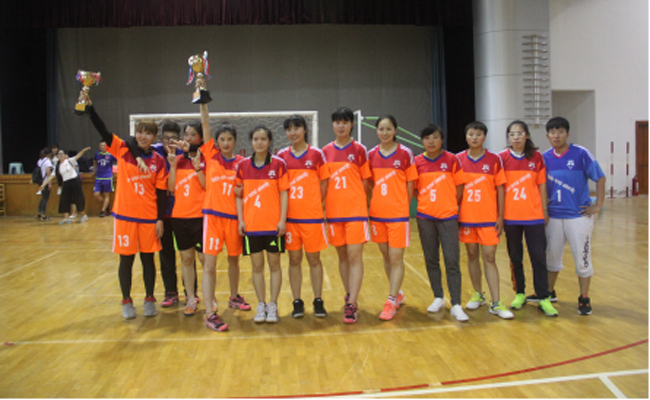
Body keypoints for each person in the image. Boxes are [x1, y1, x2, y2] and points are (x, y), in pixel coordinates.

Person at [81, 92, 168, 320]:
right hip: (126, 217)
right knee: (126, 260)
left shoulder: (159, 161)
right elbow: (104, 132)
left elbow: (161, 193)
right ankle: (126, 301)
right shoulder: (123, 150)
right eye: (140, 132)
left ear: (154, 137)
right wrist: (91, 110)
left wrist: (160, 218)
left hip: (149, 217)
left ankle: (149, 299)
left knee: (148, 260)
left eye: (148, 133)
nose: (143, 136)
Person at [541, 116, 605, 316]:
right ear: (547, 135)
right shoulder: (544, 158)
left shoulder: (580, 153)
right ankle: (548, 293)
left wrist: (598, 205)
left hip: (578, 216)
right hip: (554, 217)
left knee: (582, 259)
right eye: (552, 132)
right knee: (552, 257)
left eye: (560, 131)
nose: (556, 135)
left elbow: (600, 177)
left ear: (567, 134)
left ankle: (584, 297)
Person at [199, 104, 252, 331]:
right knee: (209, 266)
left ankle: (234, 296)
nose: (226, 142)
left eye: (230, 139)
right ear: (217, 141)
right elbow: (205, 125)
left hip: (233, 219)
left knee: (234, 260)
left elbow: (247, 190)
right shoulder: (210, 155)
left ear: (235, 141)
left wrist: (243, 192)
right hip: (213, 218)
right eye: (222, 139)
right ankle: (210, 313)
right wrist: (203, 104)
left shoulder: (242, 163)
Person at [499, 120, 558, 317]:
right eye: (512, 134)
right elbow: (499, 188)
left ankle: (543, 297)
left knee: (538, 257)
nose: (515, 137)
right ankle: (520, 293)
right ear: (508, 137)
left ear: (527, 135)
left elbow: (542, 185)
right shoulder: (502, 158)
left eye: (519, 133)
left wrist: (544, 210)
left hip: (534, 216)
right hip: (511, 217)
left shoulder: (537, 157)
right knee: (515, 257)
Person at [457, 121, 514, 319]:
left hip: (488, 218)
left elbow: (500, 188)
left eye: (478, 134)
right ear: (466, 137)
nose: (474, 138)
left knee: (489, 257)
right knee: (472, 255)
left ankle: (496, 302)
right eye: (471, 134)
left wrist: (500, 216)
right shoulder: (458, 160)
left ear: (484, 137)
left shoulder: (494, 160)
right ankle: (478, 294)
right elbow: (456, 190)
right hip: (467, 218)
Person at [322, 107, 372, 324]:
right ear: (332, 125)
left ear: (351, 124)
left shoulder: (360, 150)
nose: (341, 126)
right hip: (334, 212)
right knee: (342, 256)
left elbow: (365, 180)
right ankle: (349, 294)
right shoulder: (325, 151)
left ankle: (352, 303)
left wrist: (358, 202)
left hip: (355, 212)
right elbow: (323, 182)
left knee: (354, 256)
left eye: (345, 122)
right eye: (337, 122)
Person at [414, 124, 468, 322]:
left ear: (441, 139)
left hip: (448, 217)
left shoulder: (452, 160)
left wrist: (449, 205)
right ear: (422, 141)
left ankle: (456, 303)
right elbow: (415, 189)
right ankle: (438, 297)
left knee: (452, 260)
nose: (431, 141)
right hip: (425, 218)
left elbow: (460, 187)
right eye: (427, 138)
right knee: (431, 259)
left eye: (435, 137)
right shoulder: (417, 162)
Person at [235, 125, 289, 324]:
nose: (259, 142)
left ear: (269, 142)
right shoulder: (242, 166)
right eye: (255, 139)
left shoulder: (279, 164)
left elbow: (284, 193)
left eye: (263, 139)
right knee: (256, 266)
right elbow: (238, 195)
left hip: (273, 226)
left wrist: (282, 220)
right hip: (252, 226)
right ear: (251, 141)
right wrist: (241, 220)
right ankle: (261, 304)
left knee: (275, 265)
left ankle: (272, 304)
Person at [277, 115, 329, 318]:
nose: (293, 132)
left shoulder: (317, 154)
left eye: (296, 128)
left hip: (312, 218)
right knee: (294, 259)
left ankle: (318, 300)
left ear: (305, 129)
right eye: (289, 129)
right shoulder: (281, 156)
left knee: (314, 259)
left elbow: (324, 182)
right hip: (290, 219)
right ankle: (297, 301)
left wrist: (315, 203)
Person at [367, 115, 417, 321]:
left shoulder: (405, 153)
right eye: (381, 129)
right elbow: (370, 184)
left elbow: (411, 183)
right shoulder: (371, 154)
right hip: (378, 215)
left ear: (395, 130)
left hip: (398, 215)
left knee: (396, 258)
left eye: (388, 129)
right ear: (376, 131)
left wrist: (404, 206)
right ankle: (398, 294)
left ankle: (391, 300)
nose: (385, 133)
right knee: (386, 256)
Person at [166, 122, 207, 318]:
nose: (189, 138)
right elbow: (171, 187)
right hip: (180, 217)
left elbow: (207, 186)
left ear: (200, 138)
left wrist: (197, 166)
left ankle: (210, 297)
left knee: (204, 259)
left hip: (200, 216)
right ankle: (191, 298)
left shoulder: (205, 158)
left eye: (193, 134)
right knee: (187, 259)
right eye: (186, 134)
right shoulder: (177, 159)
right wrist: (173, 166)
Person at [40, 147, 91, 224]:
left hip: (75, 181)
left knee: (78, 199)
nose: (60, 155)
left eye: (62, 154)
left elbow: (78, 156)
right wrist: (43, 185)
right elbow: (51, 176)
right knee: (64, 200)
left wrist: (83, 150)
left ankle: (84, 215)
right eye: (59, 154)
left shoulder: (69, 161)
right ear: (57, 156)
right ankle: (66, 218)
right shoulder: (57, 166)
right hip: (66, 183)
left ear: (64, 155)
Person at [93, 140, 117, 217]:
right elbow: (95, 162)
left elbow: (118, 160)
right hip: (98, 177)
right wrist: (94, 171)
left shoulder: (110, 154)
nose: (102, 147)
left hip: (108, 177)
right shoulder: (97, 154)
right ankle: (107, 205)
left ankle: (103, 210)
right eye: (101, 145)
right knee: (96, 194)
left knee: (107, 195)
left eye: (104, 145)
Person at [36, 148, 54, 221]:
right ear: (49, 154)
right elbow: (48, 172)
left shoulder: (40, 161)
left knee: (43, 197)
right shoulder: (48, 162)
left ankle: (39, 212)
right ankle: (43, 215)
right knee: (45, 198)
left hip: (40, 181)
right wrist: (49, 183)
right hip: (45, 181)